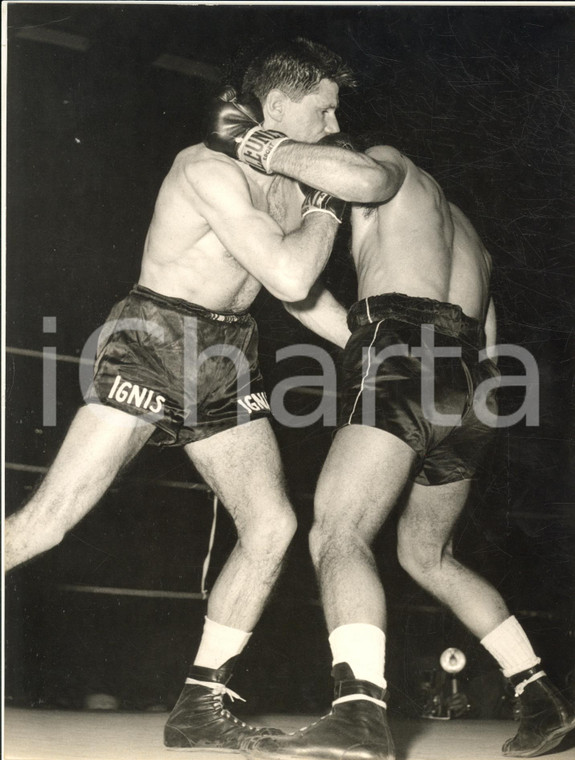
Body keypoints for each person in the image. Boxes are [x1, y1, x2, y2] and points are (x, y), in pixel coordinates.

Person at [5, 38, 401, 752]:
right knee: (49, 521)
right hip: (155, 336)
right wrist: (326, 207)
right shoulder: (205, 169)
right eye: (323, 107)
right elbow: (287, 273)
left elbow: (301, 295)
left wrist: (375, 355)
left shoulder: (282, 186)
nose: (334, 120)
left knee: (272, 526)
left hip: (226, 353)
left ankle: (199, 700)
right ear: (277, 105)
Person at [220, 137, 575, 757]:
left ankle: (359, 711)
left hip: (406, 350)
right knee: (426, 554)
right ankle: (540, 694)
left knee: (338, 530)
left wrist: (264, 148)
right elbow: (481, 346)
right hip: (475, 385)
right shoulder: (464, 235)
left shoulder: (388, 167)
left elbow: (363, 178)